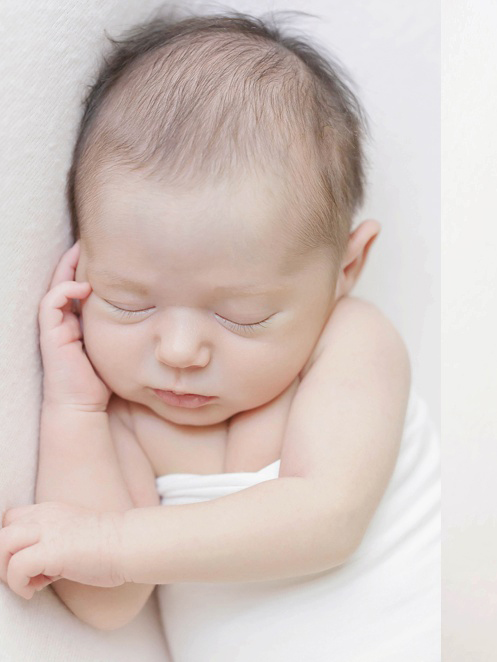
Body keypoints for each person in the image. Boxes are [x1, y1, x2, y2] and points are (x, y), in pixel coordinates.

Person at [0, 12, 439, 659]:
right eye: (128, 302)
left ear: (345, 269)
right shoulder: (125, 417)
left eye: (242, 316)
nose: (178, 352)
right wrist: (74, 408)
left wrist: (114, 543)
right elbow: (107, 602)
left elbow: (327, 520)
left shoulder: (351, 344)